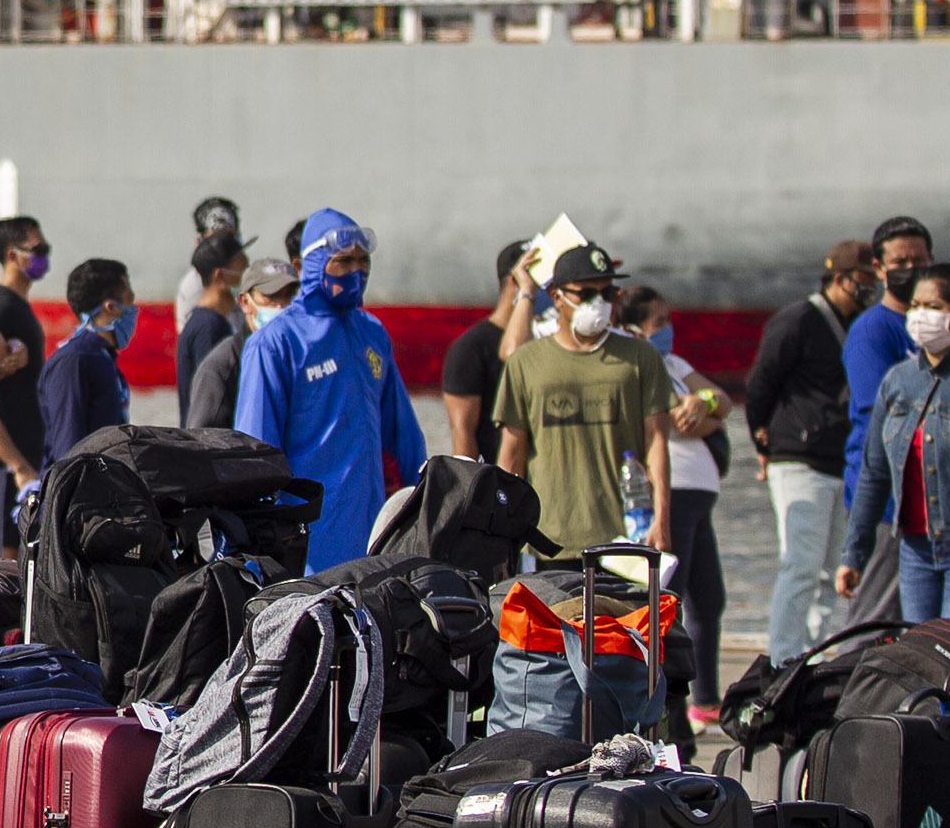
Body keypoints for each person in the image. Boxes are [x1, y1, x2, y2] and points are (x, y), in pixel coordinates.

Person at [237, 210, 427, 568]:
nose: (356, 271)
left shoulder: (371, 333)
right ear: (306, 265)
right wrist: (261, 550)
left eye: (362, 260)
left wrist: (426, 501)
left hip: (370, 533)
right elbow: (255, 454)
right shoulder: (276, 343)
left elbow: (404, 435)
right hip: (307, 542)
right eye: (342, 261)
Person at [837, 262, 950, 623]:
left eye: (934, 308)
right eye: (917, 306)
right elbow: (873, 473)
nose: (921, 316)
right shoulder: (898, 381)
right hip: (914, 550)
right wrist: (853, 554)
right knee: (921, 655)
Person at [741, 240, 874, 664]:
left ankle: (815, 656)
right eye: (864, 282)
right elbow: (761, 382)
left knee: (830, 570)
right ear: (841, 278)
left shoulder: (859, 324)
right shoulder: (798, 320)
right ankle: (782, 658)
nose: (868, 290)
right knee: (800, 564)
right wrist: (763, 441)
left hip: (840, 459)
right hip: (798, 457)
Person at [494, 241, 671, 557]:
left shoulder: (640, 357)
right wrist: (501, 536)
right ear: (557, 297)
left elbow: (657, 442)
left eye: (607, 294)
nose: (598, 303)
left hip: (628, 538)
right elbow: (511, 455)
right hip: (548, 542)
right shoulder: (526, 362)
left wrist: (663, 517)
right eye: (586, 293)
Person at [618, 283, 731, 724]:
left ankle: (706, 697)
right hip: (674, 493)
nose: (667, 330)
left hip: (699, 497)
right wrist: (695, 414)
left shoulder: (676, 364)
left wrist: (701, 403)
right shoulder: (637, 365)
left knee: (710, 598)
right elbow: (660, 425)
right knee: (670, 600)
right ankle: (671, 708)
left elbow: (720, 400)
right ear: (632, 327)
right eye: (657, 322)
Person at [842, 216, 936, 493]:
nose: (911, 270)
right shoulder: (873, 331)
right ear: (879, 268)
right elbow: (879, 414)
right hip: (887, 494)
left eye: (919, 262)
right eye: (900, 263)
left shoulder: (940, 326)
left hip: (930, 487)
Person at [0, 215, 55, 503]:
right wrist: (18, 465)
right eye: (38, 251)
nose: (44, 258)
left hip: (26, 456)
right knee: (6, 548)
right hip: (7, 467)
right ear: (11, 255)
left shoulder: (16, 307)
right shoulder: (0, 308)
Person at [439, 240, 535, 459]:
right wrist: (472, 488)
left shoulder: (545, 336)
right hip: (498, 479)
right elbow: (462, 431)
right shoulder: (471, 348)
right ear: (515, 281)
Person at [36, 258, 136, 468]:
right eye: (129, 300)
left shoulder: (102, 355)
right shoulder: (74, 361)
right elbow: (68, 448)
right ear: (111, 307)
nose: (133, 309)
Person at [185, 250, 290, 432]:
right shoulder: (221, 368)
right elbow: (201, 447)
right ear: (245, 301)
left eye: (290, 296)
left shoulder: (301, 355)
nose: (282, 305)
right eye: (271, 296)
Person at [175, 232, 247, 414]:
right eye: (242, 266)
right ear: (220, 275)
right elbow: (211, 394)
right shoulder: (209, 327)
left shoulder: (212, 321)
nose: (247, 272)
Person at [172, 196, 243, 324]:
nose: (225, 246)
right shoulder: (194, 286)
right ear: (200, 241)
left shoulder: (244, 275)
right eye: (216, 239)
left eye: (229, 237)